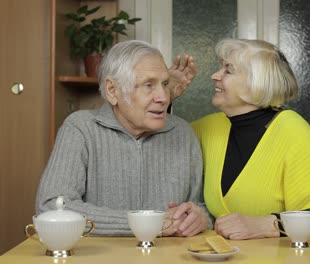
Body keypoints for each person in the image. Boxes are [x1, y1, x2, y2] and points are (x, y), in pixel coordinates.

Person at [184, 39, 310, 240]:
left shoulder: (291, 129)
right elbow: (163, 141)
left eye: (228, 71)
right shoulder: (208, 127)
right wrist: (168, 94)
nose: (214, 76)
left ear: (257, 82)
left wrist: (268, 224)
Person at [36, 40, 210, 237]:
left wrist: (201, 217)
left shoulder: (183, 133)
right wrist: (148, 224)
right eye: (148, 85)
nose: (163, 96)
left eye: (165, 84)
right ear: (112, 91)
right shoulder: (80, 128)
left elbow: (202, 207)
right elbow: (52, 207)